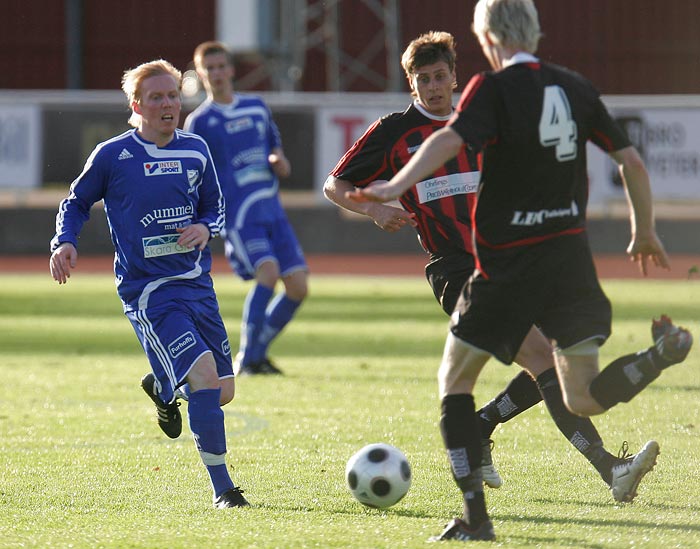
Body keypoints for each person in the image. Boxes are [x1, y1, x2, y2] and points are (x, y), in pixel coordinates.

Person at [347, 2, 693, 542]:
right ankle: (657, 356)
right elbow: (634, 162)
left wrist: (393, 187)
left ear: (485, 36)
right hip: (569, 262)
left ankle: (476, 517)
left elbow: (445, 140)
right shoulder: (575, 86)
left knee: (457, 381)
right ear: (536, 29)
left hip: (504, 263)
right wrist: (644, 230)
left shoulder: (491, 90)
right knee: (576, 388)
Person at [49, 59, 249, 509]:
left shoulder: (196, 150)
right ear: (136, 106)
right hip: (150, 293)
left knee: (223, 390)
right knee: (201, 379)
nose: (167, 104)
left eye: (174, 95)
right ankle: (224, 490)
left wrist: (204, 228)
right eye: (156, 97)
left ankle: (162, 388)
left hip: (197, 285)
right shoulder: (112, 155)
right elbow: (76, 201)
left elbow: (215, 208)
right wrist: (64, 242)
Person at [184, 41, 308, 376]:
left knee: (298, 287)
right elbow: (195, 175)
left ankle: (255, 355)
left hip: (272, 211)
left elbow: (275, 150)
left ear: (231, 69)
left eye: (222, 66)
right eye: (210, 68)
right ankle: (247, 357)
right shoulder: (200, 122)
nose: (218, 73)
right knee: (267, 274)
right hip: (238, 217)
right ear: (200, 74)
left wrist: (279, 161)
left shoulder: (256, 108)